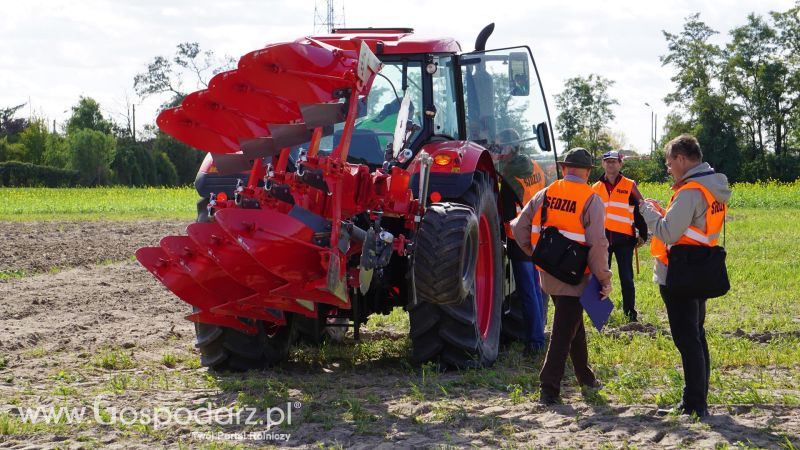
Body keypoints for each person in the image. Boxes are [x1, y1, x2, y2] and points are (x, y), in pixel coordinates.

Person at [511, 148, 612, 405]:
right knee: (563, 330)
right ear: (588, 172)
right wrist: (604, 277)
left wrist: (535, 254)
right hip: (576, 276)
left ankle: (585, 377)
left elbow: (518, 227)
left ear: (565, 168)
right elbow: (598, 244)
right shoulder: (591, 199)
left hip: (549, 273)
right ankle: (549, 387)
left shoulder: (546, 193)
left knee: (572, 324)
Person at [640, 134, 730, 417]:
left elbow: (668, 232)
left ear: (681, 159)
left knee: (687, 339)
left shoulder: (691, 191)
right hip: (699, 267)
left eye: (669, 163)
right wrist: (665, 212)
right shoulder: (712, 186)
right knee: (697, 335)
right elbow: (694, 225)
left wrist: (648, 212)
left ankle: (693, 404)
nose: (669, 169)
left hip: (680, 272)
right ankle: (698, 399)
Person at [495, 128, 547, 355]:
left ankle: (535, 341)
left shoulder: (508, 176)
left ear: (510, 148)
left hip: (520, 239)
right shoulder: (535, 166)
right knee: (537, 289)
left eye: (500, 147)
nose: (498, 152)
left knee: (527, 291)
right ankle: (540, 332)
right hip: (539, 235)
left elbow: (508, 215)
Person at [591, 150, 648, 322]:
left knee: (626, 279)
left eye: (614, 161)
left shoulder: (630, 185)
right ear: (603, 164)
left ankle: (630, 314)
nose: (610, 164)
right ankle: (601, 315)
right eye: (607, 161)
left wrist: (643, 233)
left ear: (620, 164)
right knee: (600, 278)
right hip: (602, 241)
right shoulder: (595, 188)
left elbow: (641, 209)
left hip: (624, 240)